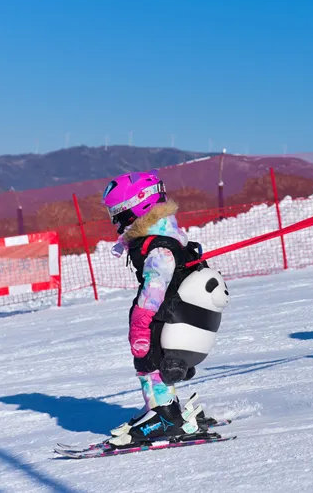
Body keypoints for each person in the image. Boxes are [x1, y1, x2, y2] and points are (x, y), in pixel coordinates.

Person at [101, 170, 230, 446]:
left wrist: (140, 322)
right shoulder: (166, 234)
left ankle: (164, 416)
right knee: (152, 360)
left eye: (120, 217)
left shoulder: (158, 246)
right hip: (176, 316)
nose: (118, 224)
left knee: (147, 357)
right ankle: (162, 408)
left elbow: (154, 287)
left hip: (166, 317)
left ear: (138, 208)